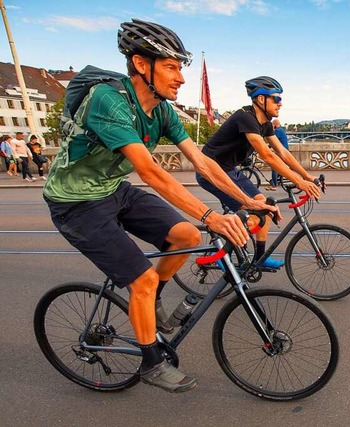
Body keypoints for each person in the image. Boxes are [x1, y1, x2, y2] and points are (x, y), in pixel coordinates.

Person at [43, 19, 275, 394]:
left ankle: (149, 305)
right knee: (143, 279)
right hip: (75, 202)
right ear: (140, 64)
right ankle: (151, 362)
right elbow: (149, 171)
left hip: (112, 190)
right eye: (171, 67)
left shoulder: (163, 111)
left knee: (184, 235)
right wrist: (211, 216)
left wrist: (248, 201)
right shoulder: (109, 99)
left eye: (181, 68)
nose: (180, 78)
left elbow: (203, 163)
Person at [197, 76, 321, 269]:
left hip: (230, 170)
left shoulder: (266, 123)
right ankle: (221, 252)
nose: (280, 104)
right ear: (260, 99)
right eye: (276, 99)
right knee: (252, 214)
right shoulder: (245, 117)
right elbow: (267, 155)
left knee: (266, 206)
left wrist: (307, 176)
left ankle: (259, 259)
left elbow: (282, 152)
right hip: (211, 172)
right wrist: (299, 182)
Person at [265, 118, 289, 191]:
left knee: (274, 168)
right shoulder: (281, 130)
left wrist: (267, 146)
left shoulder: (278, 131)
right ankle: (279, 177)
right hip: (283, 151)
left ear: (275, 124)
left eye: (272, 125)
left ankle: (274, 186)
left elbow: (273, 141)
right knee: (278, 167)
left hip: (281, 152)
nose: (272, 126)